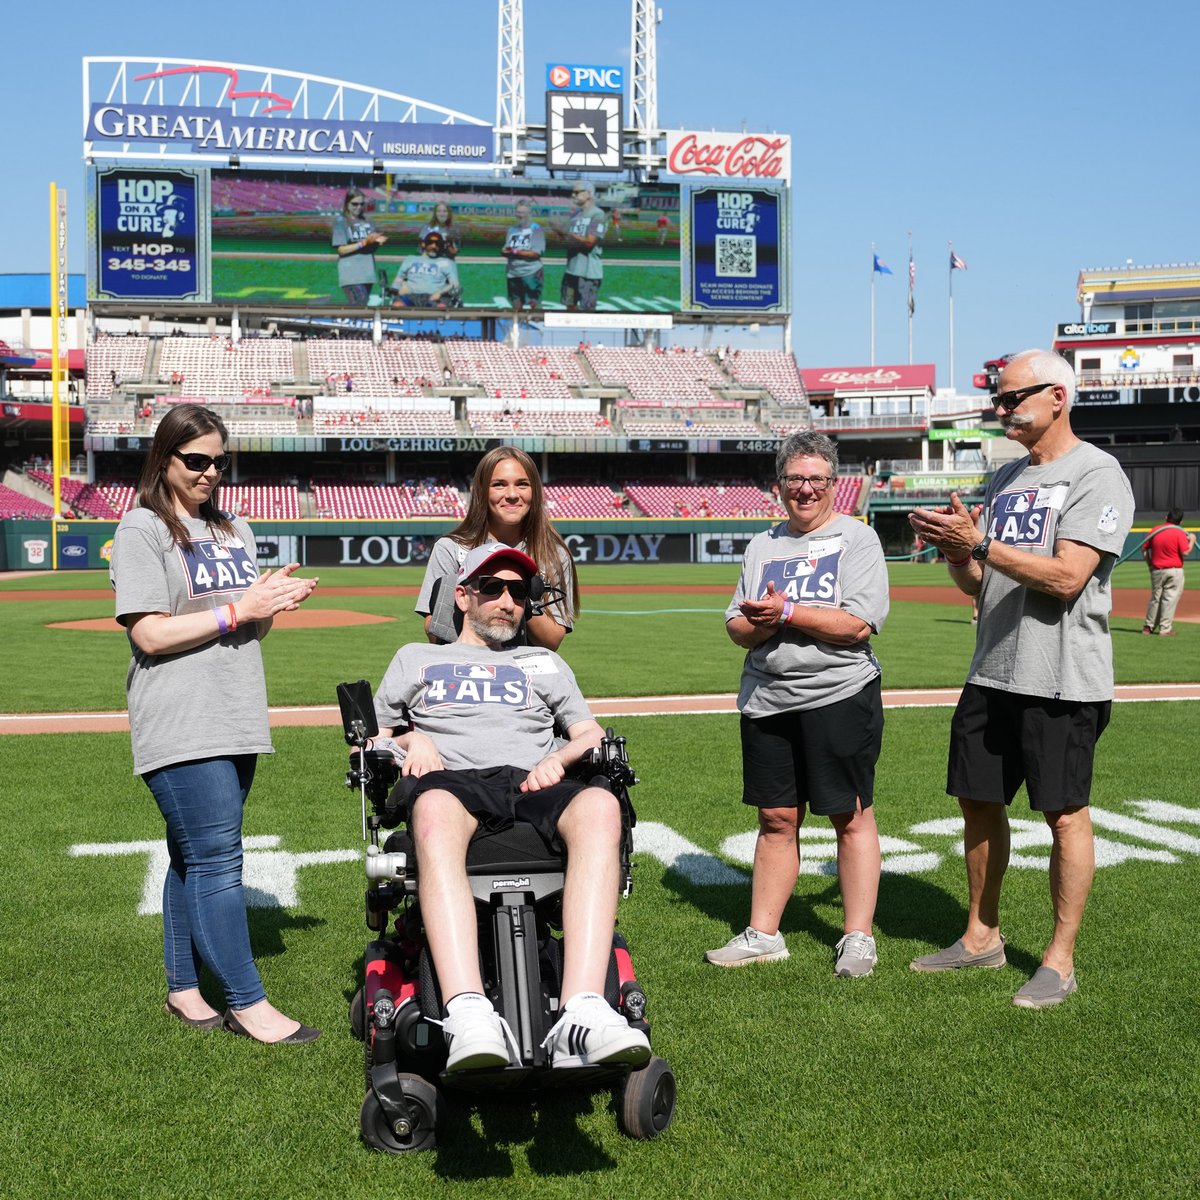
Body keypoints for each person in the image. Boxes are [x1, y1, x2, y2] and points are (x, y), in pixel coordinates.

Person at [907, 348, 1134, 1009]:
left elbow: (1067, 578)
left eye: (1012, 398)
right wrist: (959, 553)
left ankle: (1059, 961)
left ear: (1058, 397)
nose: (1001, 410)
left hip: (1062, 678)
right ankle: (982, 935)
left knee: (1064, 814)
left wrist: (979, 544)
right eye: (997, 401)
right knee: (977, 800)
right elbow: (984, 581)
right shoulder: (1006, 476)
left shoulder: (1098, 473)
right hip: (993, 669)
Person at [372, 543, 652, 1073]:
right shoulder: (417, 659)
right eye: (492, 588)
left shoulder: (544, 661)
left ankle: (585, 1009)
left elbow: (589, 732)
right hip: (452, 781)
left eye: (518, 592)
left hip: (533, 782)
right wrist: (412, 739)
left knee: (599, 804)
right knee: (431, 808)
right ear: (462, 595)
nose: (507, 600)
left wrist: (561, 756)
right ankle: (469, 1013)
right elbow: (370, 742)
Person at [109, 405, 321, 1043]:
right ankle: (248, 1002)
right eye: (194, 460)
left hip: (236, 711)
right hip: (181, 715)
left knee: (190, 856)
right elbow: (150, 633)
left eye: (217, 462)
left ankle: (183, 988)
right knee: (220, 861)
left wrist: (268, 603)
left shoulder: (234, 529)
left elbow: (251, 622)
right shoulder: (142, 528)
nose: (208, 473)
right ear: (164, 460)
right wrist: (239, 609)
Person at [705, 430, 888, 978]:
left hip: (838, 693)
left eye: (816, 479)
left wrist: (785, 614)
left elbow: (856, 625)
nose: (805, 489)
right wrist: (754, 625)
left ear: (835, 484)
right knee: (776, 817)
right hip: (767, 697)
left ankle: (858, 938)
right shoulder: (763, 545)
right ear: (779, 485)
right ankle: (764, 934)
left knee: (848, 815)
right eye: (794, 480)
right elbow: (737, 624)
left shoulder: (857, 539)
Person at [415, 446, 578, 650]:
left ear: (535, 491)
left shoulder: (554, 553)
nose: (512, 494)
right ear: (483, 492)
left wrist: (518, 593)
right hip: (464, 669)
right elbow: (435, 632)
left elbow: (552, 640)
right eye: (499, 485)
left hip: (525, 674)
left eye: (522, 484)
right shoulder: (450, 548)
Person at [553, 183, 607, 312]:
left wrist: (566, 232)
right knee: (569, 307)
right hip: (571, 271)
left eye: (577, 192)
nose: (573, 195)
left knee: (588, 311)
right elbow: (567, 241)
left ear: (589, 194)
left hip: (588, 273)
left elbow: (589, 242)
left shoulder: (598, 215)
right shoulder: (575, 215)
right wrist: (559, 232)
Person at [1142, 508, 1195, 636]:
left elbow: (1144, 550)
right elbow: (1185, 552)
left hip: (1157, 570)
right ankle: (1165, 629)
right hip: (1174, 570)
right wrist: (1192, 539)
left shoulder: (1155, 530)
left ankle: (1148, 627)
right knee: (1169, 599)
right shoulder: (1179, 532)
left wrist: (1149, 564)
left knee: (1155, 598)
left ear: (1166, 517)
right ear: (1180, 521)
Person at [331, 188, 387, 305]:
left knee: (362, 305)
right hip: (351, 273)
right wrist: (363, 243)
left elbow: (370, 247)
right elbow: (341, 250)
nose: (359, 207)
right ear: (347, 204)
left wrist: (377, 241)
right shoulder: (341, 222)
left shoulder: (368, 222)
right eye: (354, 204)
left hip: (367, 272)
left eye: (361, 204)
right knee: (359, 304)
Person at [390, 232, 461, 308]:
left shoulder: (446, 262)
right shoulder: (410, 259)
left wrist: (440, 293)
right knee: (397, 305)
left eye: (438, 244)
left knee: (441, 307)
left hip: (434, 297)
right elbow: (399, 277)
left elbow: (455, 285)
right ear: (423, 244)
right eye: (430, 243)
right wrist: (399, 288)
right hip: (410, 295)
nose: (434, 246)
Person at [501, 199, 546, 312]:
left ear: (530, 214)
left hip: (531, 273)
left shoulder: (536, 229)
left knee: (534, 305)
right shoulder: (512, 230)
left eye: (523, 212)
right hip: (513, 273)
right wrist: (504, 251)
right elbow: (507, 247)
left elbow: (537, 253)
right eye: (518, 212)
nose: (520, 215)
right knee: (516, 306)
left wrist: (516, 252)